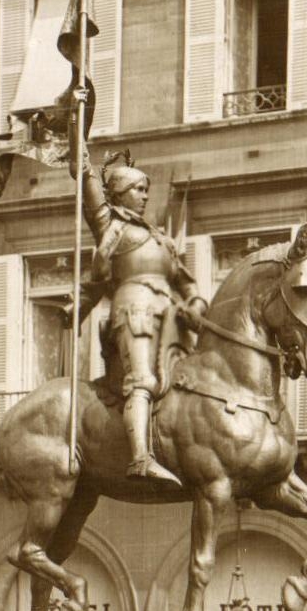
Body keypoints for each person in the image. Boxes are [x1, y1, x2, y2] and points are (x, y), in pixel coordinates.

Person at [77, 150, 207, 485]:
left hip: (171, 317)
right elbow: (91, 194)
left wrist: (195, 305)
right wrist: (80, 148)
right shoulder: (113, 227)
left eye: (146, 190)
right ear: (119, 194)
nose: (145, 196)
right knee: (142, 380)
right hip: (134, 309)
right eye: (137, 189)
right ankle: (140, 459)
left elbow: (187, 283)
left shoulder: (161, 239)